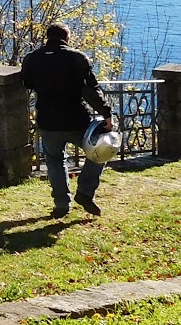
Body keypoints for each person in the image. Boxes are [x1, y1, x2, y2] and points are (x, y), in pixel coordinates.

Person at [20, 22, 114, 217]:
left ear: (48, 37)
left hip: (47, 121)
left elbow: (26, 83)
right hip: (76, 120)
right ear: (67, 38)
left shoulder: (32, 58)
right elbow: (91, 90)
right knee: (100, 153)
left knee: (55, 161)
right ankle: (85, 192)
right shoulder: (77, 58)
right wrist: (106, 113)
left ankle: (62, 205)